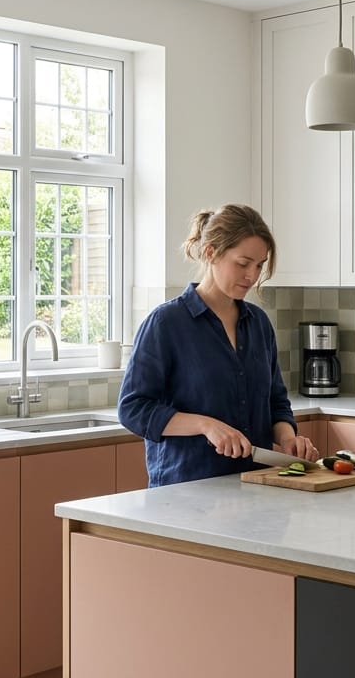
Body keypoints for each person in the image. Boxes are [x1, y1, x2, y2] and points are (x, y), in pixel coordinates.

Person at [118, 203, 320, 486]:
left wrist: (288, 439)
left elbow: (276, 401)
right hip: (185, 492)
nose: (252, 275)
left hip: (256, 487)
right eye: (243, 263)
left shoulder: (259, 324)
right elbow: (133, 409)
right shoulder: (166, 323)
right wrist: (205, 425)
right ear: (211, 252)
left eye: (259, 265)